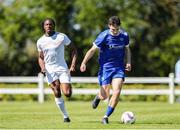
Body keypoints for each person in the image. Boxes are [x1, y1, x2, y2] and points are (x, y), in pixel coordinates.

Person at [80, 16, 131, 124]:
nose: (115, 31)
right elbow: (92, 50)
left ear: (119, 26)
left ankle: (105, 116)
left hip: (119, 68)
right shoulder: (103, 36)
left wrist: (128, 62)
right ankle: (99, 96)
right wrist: (84, 62)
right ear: (109, 26)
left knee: (117, 91)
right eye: (113, 29)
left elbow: (127, 49)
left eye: (117, 29)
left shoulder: (124, 36)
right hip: (105, 68)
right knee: (105, 95)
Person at [37, 18, 77, 123]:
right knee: (56, 91)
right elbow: (41, 57)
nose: (48, 26)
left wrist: (72, 65)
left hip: (62, 68)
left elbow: (74, 49)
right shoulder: (40, 41)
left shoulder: (61, 37)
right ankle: (65, 116)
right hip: (49, 70)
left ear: (54, 26)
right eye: (46, 24)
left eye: (50, 24)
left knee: (67, 93)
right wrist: (42, 68)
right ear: (43, 27)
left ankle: (68, 85)